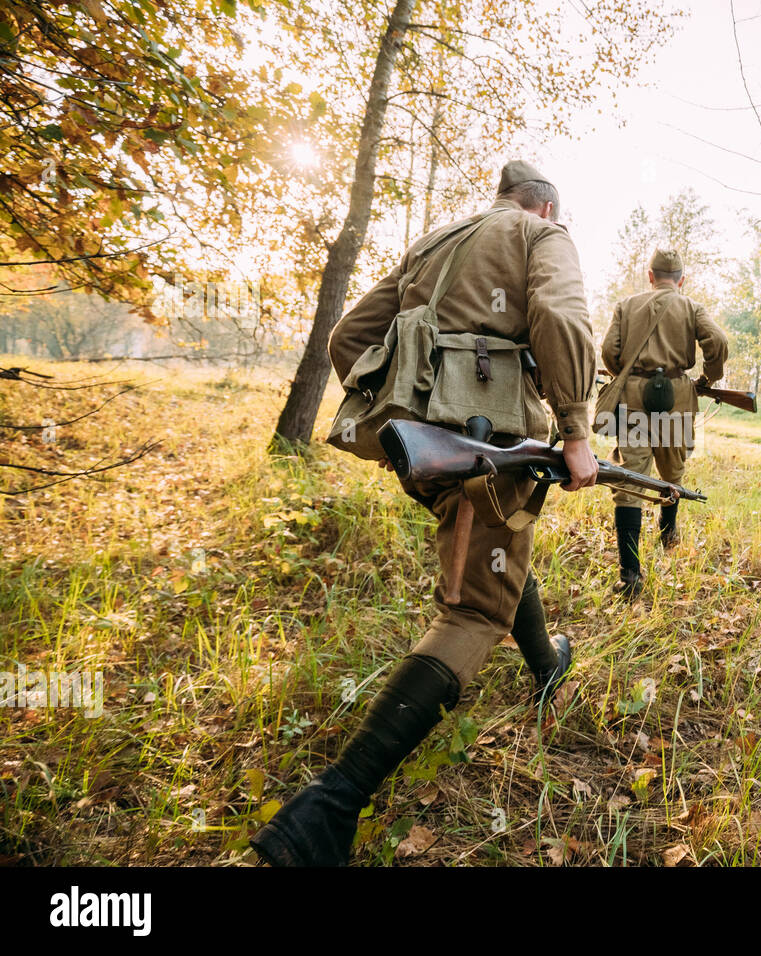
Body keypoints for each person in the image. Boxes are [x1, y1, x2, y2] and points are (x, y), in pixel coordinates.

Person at [250, 160, 598, 867]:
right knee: (472, 611)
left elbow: (349, 337)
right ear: (545, 205)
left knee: (492, 553)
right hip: (484, 437)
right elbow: (560, 317)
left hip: (422, 442)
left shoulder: (436, 240)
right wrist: (576, 430)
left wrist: (409, 413)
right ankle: (329, 808)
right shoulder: (541, 234)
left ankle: (545, 662)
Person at [600, 248, 728, 598]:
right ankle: (668, 533)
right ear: (682, 279)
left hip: (634, 398)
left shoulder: (627, 305)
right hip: (677, 397)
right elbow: (717, 341)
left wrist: (628, 375)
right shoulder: (692, 307)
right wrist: (709, 378)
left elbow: (609, 351)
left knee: (630, 475)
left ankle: (629, 573)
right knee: (672, 469)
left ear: (650, 276)